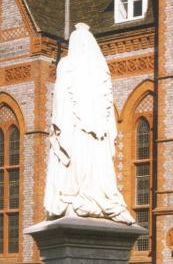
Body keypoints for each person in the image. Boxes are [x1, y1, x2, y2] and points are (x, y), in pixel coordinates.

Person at [44, 23, 134, 224]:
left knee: (78, 171)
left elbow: (60, 101)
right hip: (97, 138)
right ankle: (101, 201)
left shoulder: (67, 65)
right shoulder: (101, 71)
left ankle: (76, 197)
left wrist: (59, 127)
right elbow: (110, 115)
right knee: (96, 173)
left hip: (77, 135)